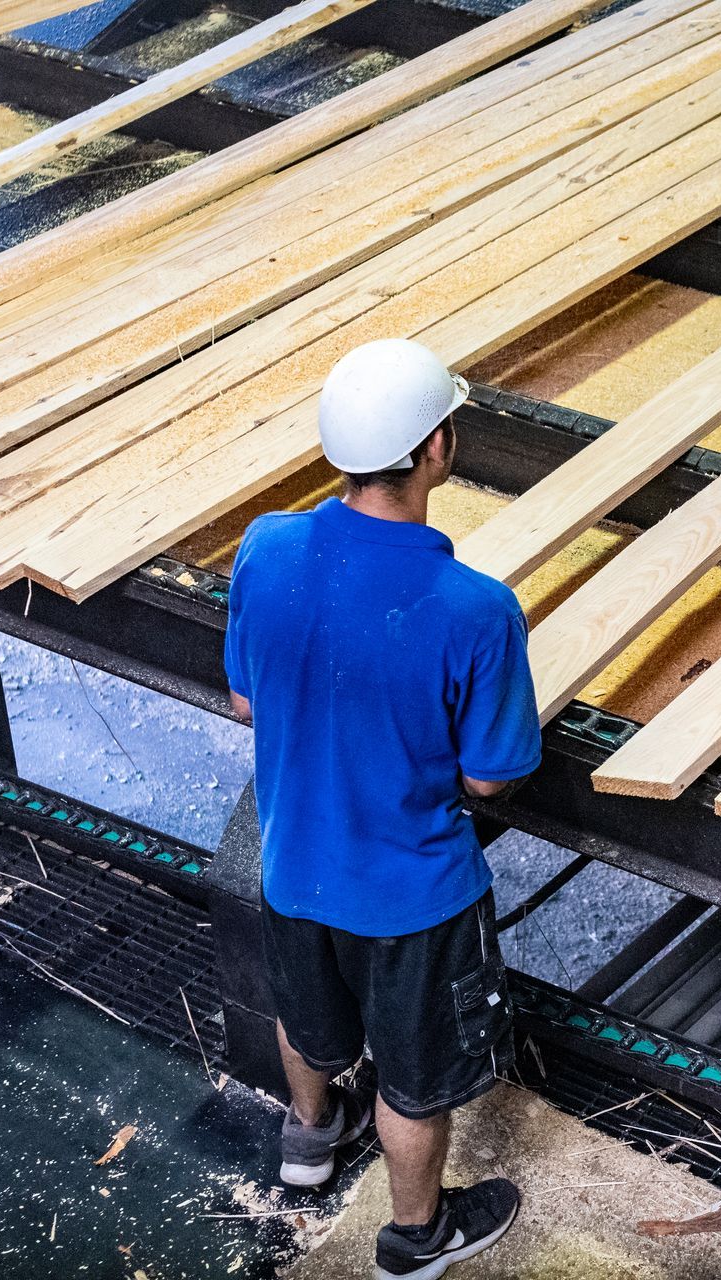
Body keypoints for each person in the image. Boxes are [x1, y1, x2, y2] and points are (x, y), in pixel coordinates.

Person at [224, 338, 542, 1279]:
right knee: (412, 1076)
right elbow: (491, 777)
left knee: (310, 1021)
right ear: (439, 446)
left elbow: (247, 699)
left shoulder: (266, 546)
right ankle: (416, 1238)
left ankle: (310, 1140)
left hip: (293, 867)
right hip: (410, 900)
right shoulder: (474, 608)